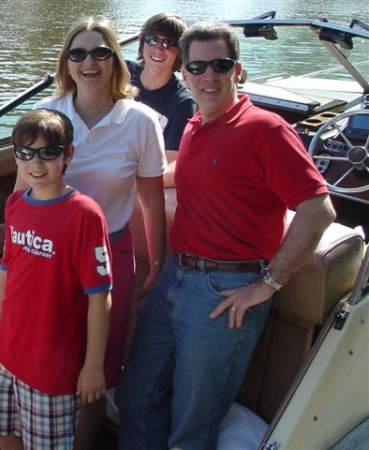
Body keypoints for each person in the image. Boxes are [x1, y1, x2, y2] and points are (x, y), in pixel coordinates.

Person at [115, 21, 337, 449]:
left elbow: (318, 209)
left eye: (220, 65)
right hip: (175, 278)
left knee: (192, 425)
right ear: (185, 74)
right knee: (136, 393)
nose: (208, 76)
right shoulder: (196, 124)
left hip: (226, 292)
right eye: (197, 66)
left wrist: (267, 285)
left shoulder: (266, 130)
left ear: (238, 71)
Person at [14, 15, 167, 448]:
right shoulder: (49, 114)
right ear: (66, 62)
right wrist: (13, 255)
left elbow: (151, 200)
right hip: (46, 252)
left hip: (108, 253)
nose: (89, 62)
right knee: (50, 353)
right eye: (77, 53)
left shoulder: (142, 122)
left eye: (100, 52)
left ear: (115, 60)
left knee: (97, 367)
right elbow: (21, 192)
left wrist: (154, 265)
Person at [0, 109, 113, 450]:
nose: (35, 164)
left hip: (52, 368)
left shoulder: (84, 214)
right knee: (3, 431)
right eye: (25, 153)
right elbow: (6, 273)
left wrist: (93, 367)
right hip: (7, 354)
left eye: (48, 153)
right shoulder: (15, 204)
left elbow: (100, 298)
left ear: (68, 154)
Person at [127, 12, 197, 186]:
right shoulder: (122, 74)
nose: (159, 49)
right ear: (142, 43)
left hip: (140, 177)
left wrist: (124, 178)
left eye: (169, 43)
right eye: (152, 40)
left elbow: (170, 163)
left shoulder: (183, 103)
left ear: (180, 53)